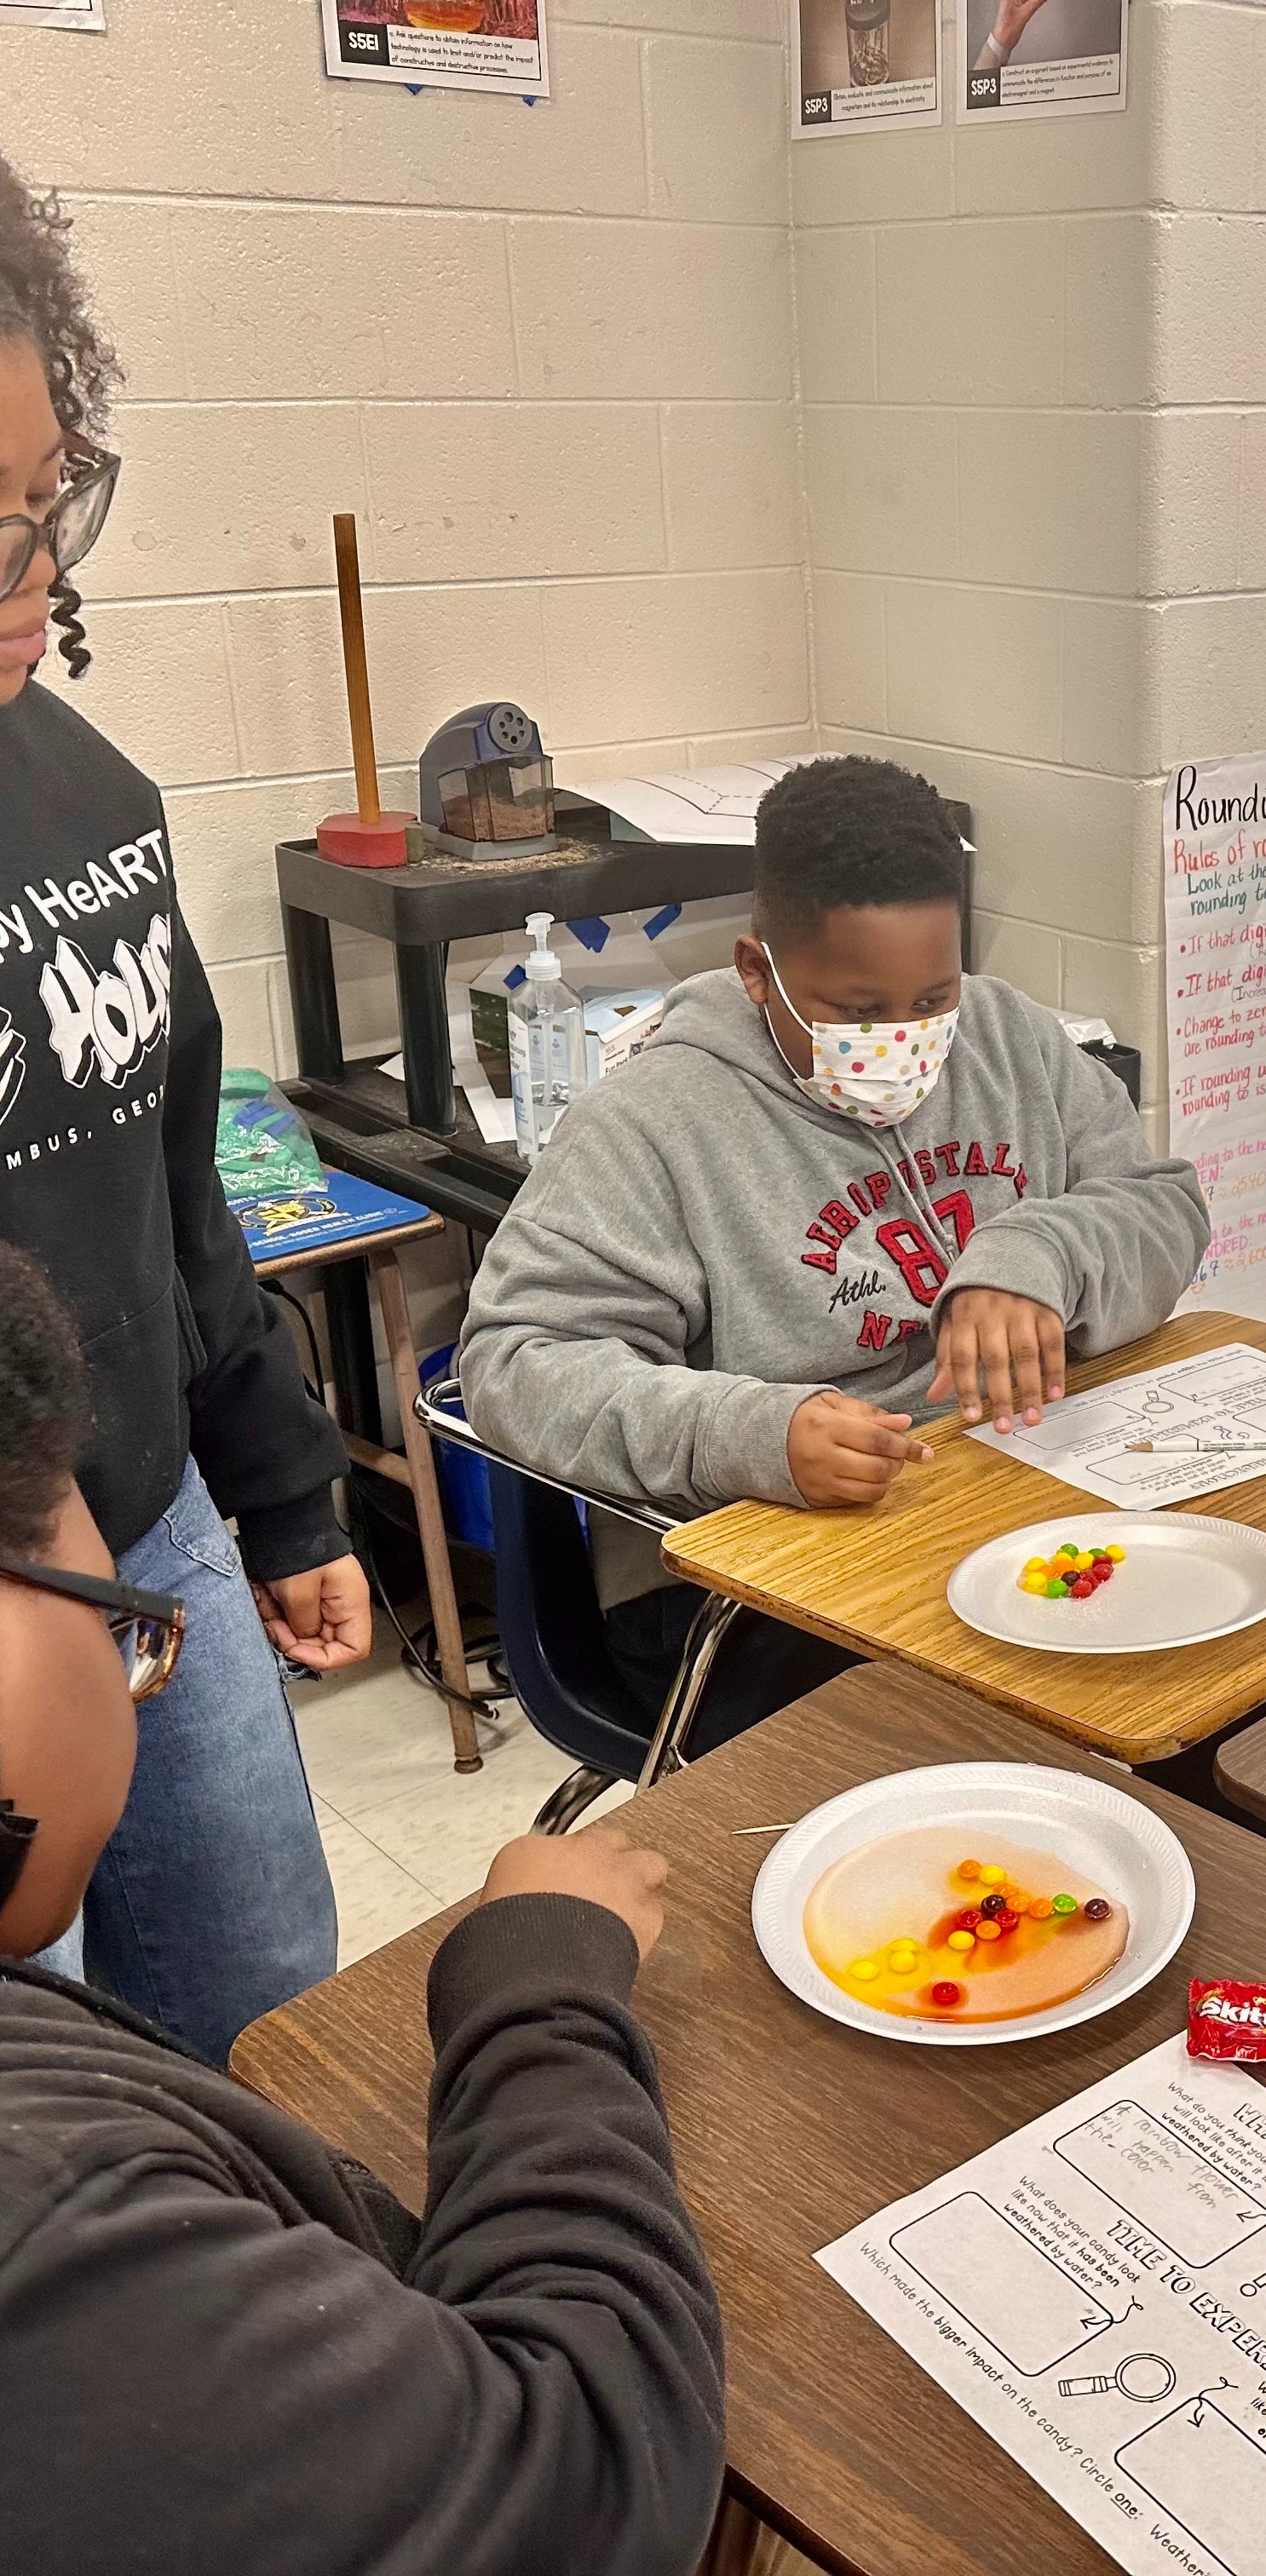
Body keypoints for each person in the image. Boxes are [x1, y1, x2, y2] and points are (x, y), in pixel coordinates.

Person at [0, 1240, 725, 2573]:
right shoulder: (54, 2227)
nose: (135, 1670)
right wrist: (538, 1992)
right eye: (121, 1624)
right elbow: (581, 2488)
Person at [460, 752, 1210, 1743]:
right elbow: (514, 1365)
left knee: (1232, 1670)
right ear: (755, 972)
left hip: (1016, 1490)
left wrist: (1038, 1254)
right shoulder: (653, 1121)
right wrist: (754, 1434)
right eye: (856, 1012)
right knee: (1029, 1739)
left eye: (931, 999)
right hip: (769, 1566)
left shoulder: (1008, 1037)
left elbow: (1165, 1209)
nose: (904, 1039)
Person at [0, 154, 355, 2062]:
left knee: (275, 2033)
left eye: (43, 497)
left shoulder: (84, 791)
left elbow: (170, 1202)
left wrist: (285, 1491)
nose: (33, 576)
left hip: (158, 1530)